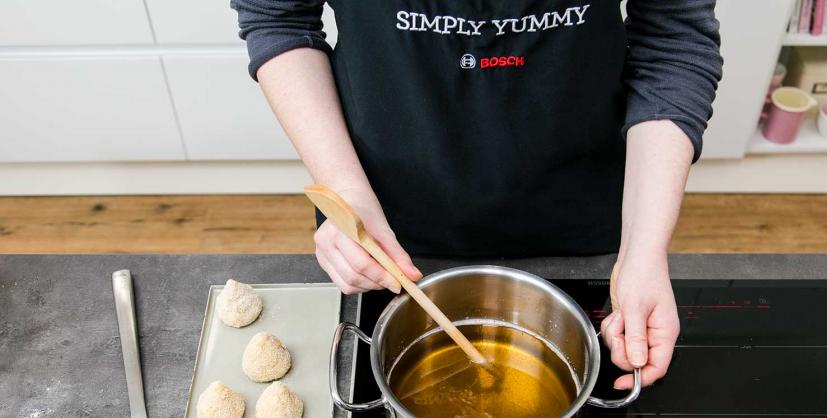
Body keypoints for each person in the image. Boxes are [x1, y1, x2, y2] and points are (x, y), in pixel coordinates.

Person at [231, 1, 723, 391]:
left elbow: (672, 37)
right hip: (386, 220)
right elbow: (280, 16)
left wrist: (644, 250)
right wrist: (343, 189)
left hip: (584, 207)